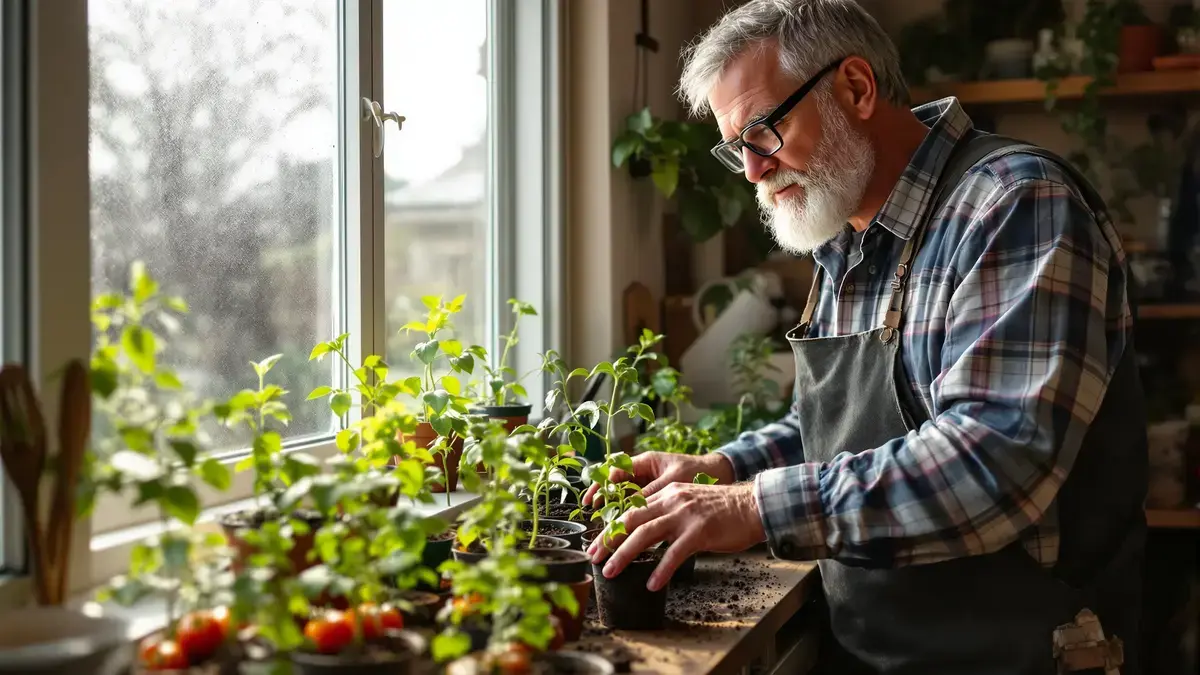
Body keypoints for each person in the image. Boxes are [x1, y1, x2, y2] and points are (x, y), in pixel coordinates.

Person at [583, 1, 1148, 673]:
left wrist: (752, 506)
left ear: (855, 88)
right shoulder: (848, 237)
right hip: (878, 650)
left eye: (764, 131)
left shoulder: (1015, 204)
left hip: (1025, 654)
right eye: (738, 148)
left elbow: (995, 463)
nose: (754, 170)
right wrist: (723, 470)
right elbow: (836, 427)